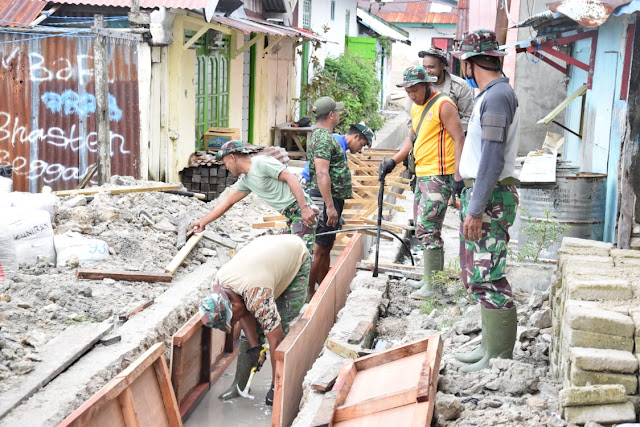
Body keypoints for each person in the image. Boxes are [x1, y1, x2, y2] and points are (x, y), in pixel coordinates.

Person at [450, 30, 520, 373]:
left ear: (471, 62)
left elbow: (492, 156)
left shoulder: (497, 97)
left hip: (490, 197)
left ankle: (500, 358)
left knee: (489, 274)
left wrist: (476, 209)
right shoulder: (490, 94)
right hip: (484, 193)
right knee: (479, 274)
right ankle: (489, 347)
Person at [379, 66, 465, 300]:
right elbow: (411, 139)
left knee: (429, 225)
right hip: (422, 175)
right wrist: (393, 161)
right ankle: (429, 279)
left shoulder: (444, 105)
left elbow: (459, 138)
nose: (412, 96)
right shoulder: (416, 109)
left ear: (427, 85)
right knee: (421, 226)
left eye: (415, 91)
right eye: (408, 92)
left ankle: (435, 287)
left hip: (439, 174)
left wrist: (458, 176)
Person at [199, 234, 310, 405]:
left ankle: (280, 385)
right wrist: (255, 347)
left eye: (232, 320)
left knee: (283, 322)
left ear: (234, 306)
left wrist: (275, 386)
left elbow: (276, 339)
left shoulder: (257, 295)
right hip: (265, 259)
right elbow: (244, 312)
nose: (234, 323)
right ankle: (239, 385)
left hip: (295, 255)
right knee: (254, 330)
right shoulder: (219, 284)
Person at [191, 140, 317, 255]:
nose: (226, 167)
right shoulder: (246, 180)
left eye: (225, 163)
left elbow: (291, 177)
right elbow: (227, 203)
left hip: (302, 211)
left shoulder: (261, 163)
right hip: (292, 215)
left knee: (300, 257)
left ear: (232, 157)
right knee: (283, 255)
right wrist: (203, 222)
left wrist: (304, 208)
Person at [306, 96, 355, 299]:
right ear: (331, 115)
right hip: (324, 199)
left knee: (326, 247)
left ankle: (322, 286)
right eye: (337, 112)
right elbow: (321, 173)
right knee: (319, 248)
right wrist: (329, 207)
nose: (339, 115)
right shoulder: (324, 138)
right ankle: (309, 292)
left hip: (330, 199)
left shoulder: (321, 135)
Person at [299, 123, 374, 187]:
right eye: (361, 145)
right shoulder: (336, 144)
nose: (360, 149)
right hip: (310, 184)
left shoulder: (337, 141)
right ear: (356, 137)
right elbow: (321, 172)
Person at [419, 46, 474, 133]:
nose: (427, 71)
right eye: (424, 67)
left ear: (443, 66)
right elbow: (410, 116)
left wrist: (447, 137)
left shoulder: (460, 86)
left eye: (431, 67)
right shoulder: (420, 85)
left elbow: (467, 117)